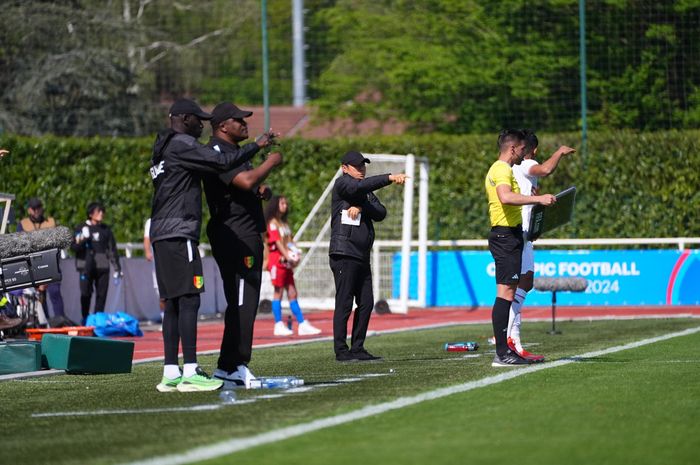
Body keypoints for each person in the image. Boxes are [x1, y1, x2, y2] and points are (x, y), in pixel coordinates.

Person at [149, 98, 275, 393]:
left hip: (161, 229)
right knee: (190, 298)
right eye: (197, 119)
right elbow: (219, 162)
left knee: (174, 303)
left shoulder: (164, 148)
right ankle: (192, 370)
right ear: (181, 118)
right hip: (180, 229)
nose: (201, 124)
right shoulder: (181, 143)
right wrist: (260, 147)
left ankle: (171, 372)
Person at [202, 102, 283, 388]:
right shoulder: (217, 152)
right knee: (241, 301)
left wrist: (262, 190)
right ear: (223, 125)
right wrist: (270, 162)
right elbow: (245, 180)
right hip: (234, 235)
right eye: (239, 120)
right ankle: (234, 364)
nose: (245, 123)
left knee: (244, 301)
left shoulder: (234, 152)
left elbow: (245, 185)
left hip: (245, 232)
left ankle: (229, 365)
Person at [485, 129, 557, 367]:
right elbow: (506, 197)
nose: (523, 155)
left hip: (511, 234)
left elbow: (511, 196)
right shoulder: (501, 168)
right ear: (513, 148)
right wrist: (538, 199)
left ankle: (506, 349)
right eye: (522, 150)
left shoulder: (502, 169)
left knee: (509, 292)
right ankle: (502, 352)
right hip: (505, 235)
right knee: (505, 294)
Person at [329, 151, 406, 362]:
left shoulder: (364, 190)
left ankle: (358, 348)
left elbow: (380, 213)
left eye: (363, 166)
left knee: (366, 302)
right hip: (344, 252)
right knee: (344, 303)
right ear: (345, 168)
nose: (361, 169)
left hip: (361, 255)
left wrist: (361, 205)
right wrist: (389, 177)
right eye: (357, 166)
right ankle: (341, 351)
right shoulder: (343, 184)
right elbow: (356, 188)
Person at [508, 131, 575, 361]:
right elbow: (545, 170)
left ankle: (509, 336)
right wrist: (560, 152)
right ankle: (510, 338)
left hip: (524, 233)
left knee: (524, 282)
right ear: (533, 150)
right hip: (521, 234)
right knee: (517, 285)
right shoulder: (527, 165)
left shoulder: (513, 169)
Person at [265, 195, 322, 337]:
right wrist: (287, 256)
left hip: (286, 263)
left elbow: (290, 242)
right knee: (278, 292)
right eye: (282, 203)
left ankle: (302, 324)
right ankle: (278, 324)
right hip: (277, 262)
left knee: (292, 292)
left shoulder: (284, 224)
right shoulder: (272, 223)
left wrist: (295, 255)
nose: (285, 205)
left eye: (286, 203)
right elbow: (277, 243)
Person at [70, 202, 121, 324]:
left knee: (101, 295)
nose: (101, 214)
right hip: (85, 266)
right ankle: (85, 319)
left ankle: (98, 320)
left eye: (102, 211)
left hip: (102, 267)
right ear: (90, 213)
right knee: (85, 294)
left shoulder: (106, 229)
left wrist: (118, 268)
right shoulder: (80, 227)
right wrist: (84, 238)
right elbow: (74, 247)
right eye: (99, 211)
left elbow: (112, 249)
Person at [16, 197, 65, 318]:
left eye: (39, 208)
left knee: (55, 292)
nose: (37, 211)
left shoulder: (51, 222)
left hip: (51, 263)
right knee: (39, 296)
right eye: (34, 208)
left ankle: (60, 321)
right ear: (29, 210)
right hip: (33, 265)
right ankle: (44, 322)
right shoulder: (23, 224)